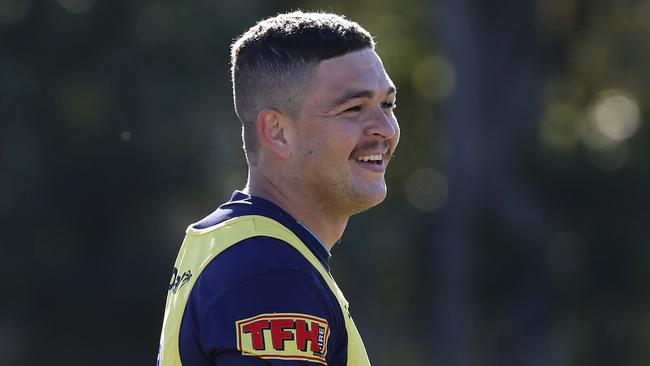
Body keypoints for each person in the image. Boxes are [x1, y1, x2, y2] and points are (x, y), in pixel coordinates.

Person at [157, 11, 399, 366]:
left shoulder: (239, 244)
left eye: (387, 104)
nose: (385, 128)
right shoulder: (272, 273)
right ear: (277, 132)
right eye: (353, 108)